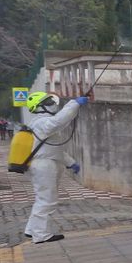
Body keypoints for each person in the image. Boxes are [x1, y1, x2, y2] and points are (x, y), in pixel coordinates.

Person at [21, 91, 88, 244]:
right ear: (39, 107)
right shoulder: (42, 123)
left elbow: (53, 149)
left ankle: (32, 230)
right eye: (48, 102)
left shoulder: (42, 123)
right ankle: (41, 235)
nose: (53, 104)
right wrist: (74, 103)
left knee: (42, 198)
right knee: (46, 200)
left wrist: (70, 163)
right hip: (44, 166)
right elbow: (58, 121)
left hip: (47, 163)